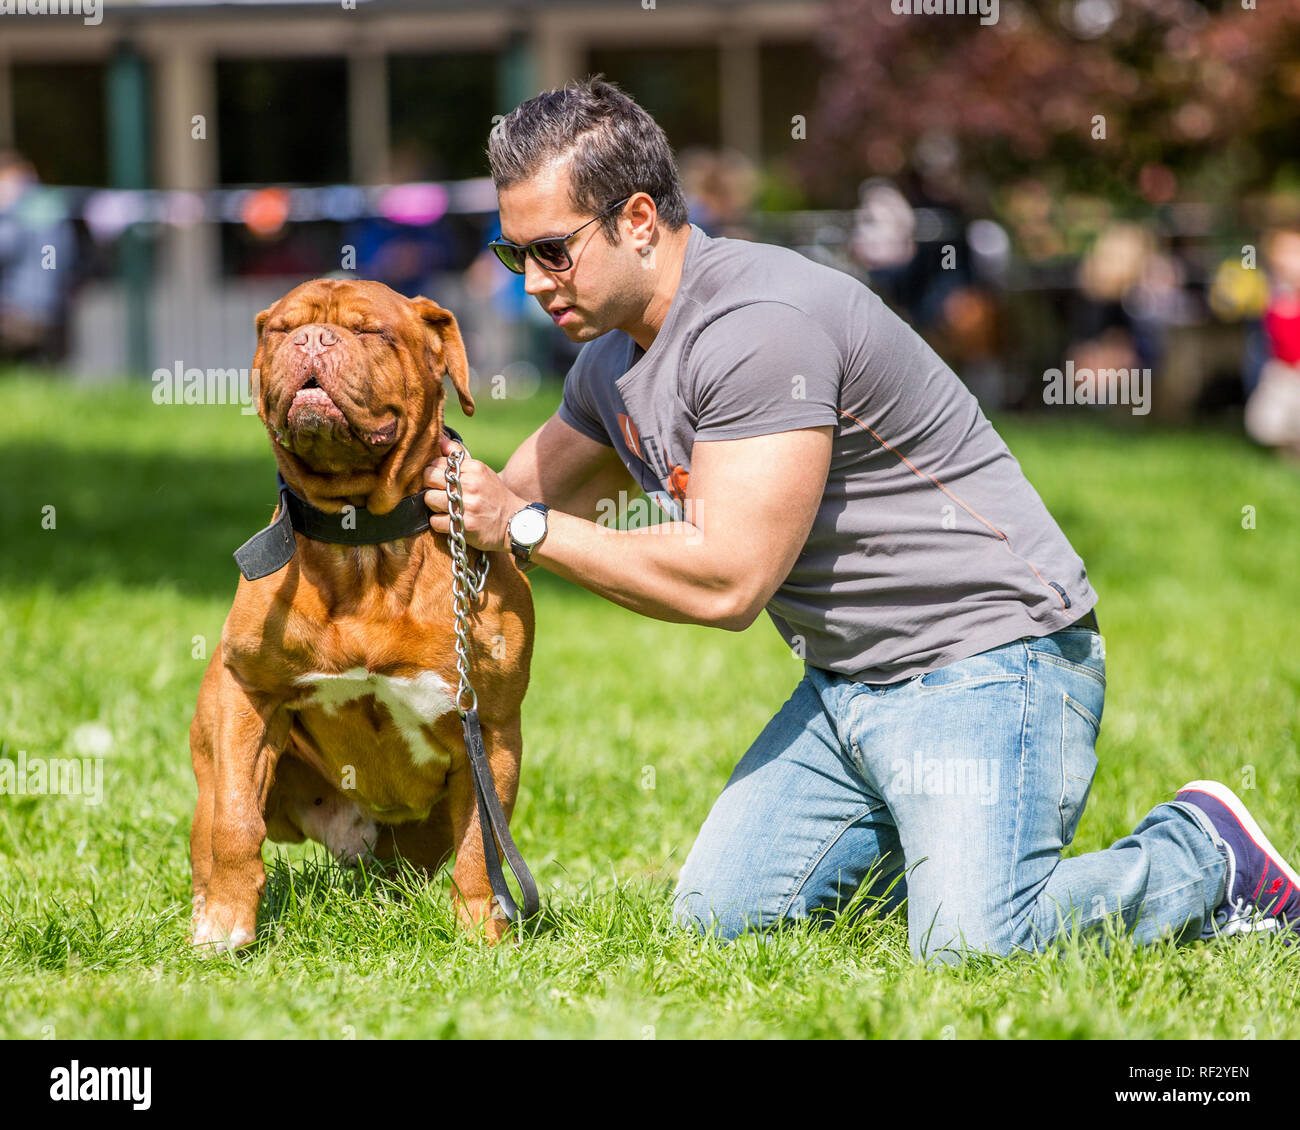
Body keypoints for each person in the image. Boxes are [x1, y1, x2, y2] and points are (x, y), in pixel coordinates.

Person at [422, 76, 1298, 964]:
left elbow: (727, 579)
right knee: (722, 926)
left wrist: (525, 530)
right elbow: (494, 496)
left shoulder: (758, 325)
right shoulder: (611, 362)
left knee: (971, 950)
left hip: (993, 660)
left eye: (551, 252)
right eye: (511, 255)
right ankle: (945, 857)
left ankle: (1202, 853)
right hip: (847, 690)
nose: (531, 283)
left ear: (639, 220)